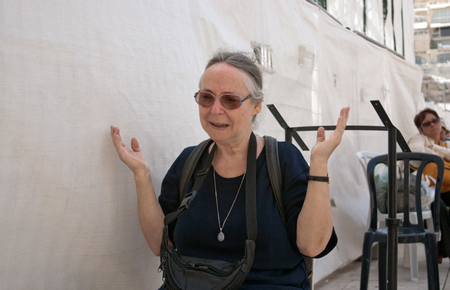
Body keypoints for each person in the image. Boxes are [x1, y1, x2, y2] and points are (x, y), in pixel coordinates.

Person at [110, 51, 350, 289]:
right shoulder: (188, 162)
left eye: (230, 100)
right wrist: (141, 176)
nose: (215, 109)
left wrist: (319, 164)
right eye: (206, 97)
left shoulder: (283, 160)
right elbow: (160, 245)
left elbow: (313, 246)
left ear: (256, 106)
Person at [408, 108, 450, 262]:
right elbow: (415, 150)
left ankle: (442, 248)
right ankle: (442, 249)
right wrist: (439, 152)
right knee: (437, 205)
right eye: (427, 123)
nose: (433, 125)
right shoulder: (418, 138)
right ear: (421, 129)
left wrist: (437, 149)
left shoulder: (443, 145)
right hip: (423, 191)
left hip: (442, 187)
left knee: (439, 203)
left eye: (435, 120)